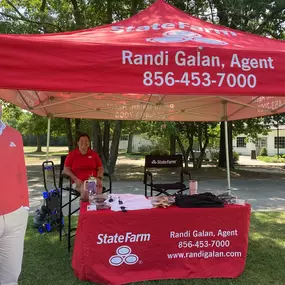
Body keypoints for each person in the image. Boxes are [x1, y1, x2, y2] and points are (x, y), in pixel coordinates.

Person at [0, 103, 29, 285]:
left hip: (15, 215)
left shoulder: (15, 135)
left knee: (10, 277)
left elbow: (21, 172)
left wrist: (24, 206)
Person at [63, 133, 104, 200]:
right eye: (81, 141)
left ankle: (93, 208)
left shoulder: (94, 154)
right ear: (78, 143)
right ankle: (86, 208)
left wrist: (99, 178)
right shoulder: (72, 155)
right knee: (86, 191)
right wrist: (75, 179)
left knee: (96, 193)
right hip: (79, 181)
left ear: (89, 143)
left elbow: (100, 168)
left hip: (93, 180)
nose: (84, 143)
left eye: (86, 141)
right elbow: (66, 169)